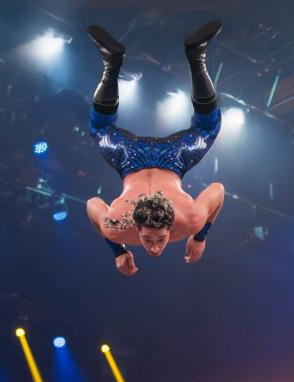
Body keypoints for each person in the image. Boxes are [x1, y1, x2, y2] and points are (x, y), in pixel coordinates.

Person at [84, 21, 226, 274]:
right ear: (136, 229)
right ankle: (197, 58)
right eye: (150, 240)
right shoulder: (192, 220)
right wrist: (200, 237)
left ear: (170, 229)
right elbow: (218, 190)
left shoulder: (115, 228)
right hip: (173, 160)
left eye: (157, 239)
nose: (154, 248)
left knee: (100, 128)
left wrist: (119, 250)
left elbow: (93, 203)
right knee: (207, 128)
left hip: (130, 160)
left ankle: (111, 65)